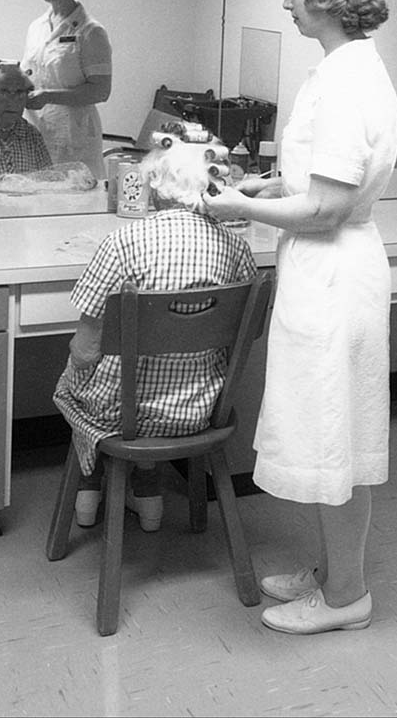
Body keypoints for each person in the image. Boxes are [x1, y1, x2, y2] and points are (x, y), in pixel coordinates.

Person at [202, 0, 397, 635]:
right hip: (329, 266)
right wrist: (270, 185)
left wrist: (238, 207)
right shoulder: (344, 68)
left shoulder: (347, 81)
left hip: (334, 273)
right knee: (326, 438)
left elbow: (327, 208)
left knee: (332, 441)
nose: (285, 2)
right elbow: (320, 184)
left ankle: (347, 597)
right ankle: (332, 573)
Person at [53, 140, 257, 533]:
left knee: (73, 380)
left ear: (155, 186)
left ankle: (90, 480)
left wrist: (77, 370)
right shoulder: (235, 247)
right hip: (198, 408)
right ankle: (146, 483)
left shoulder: (123, 243)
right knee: (151, 378)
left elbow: (86, 348)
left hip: (122, 414)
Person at [21, 0, 112, 182]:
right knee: (37, 192)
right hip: (37, 130)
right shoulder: (36, 27)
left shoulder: (91, 31)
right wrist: (6, 77)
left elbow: (101, 91)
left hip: (73, 134)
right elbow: (32, 73)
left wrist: (48, 96)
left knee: (73, 194)